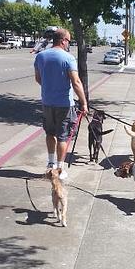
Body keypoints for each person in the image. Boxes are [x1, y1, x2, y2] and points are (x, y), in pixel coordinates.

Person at [34, 28, 88, 179]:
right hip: (64, 104)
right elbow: (76, 82)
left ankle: (50, 164)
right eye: (69, 41)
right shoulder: (68, 58)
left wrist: (49, 88)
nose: (69, 44)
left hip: (47, 102)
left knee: (50, 133)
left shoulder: (40, 56)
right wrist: (83, 103)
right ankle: (60, 168)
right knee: (63, 136)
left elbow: (38, 79)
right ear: (63, 40)